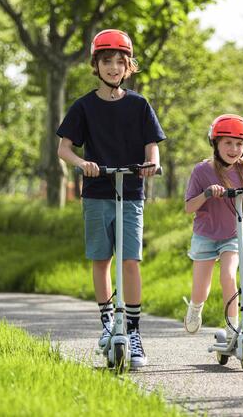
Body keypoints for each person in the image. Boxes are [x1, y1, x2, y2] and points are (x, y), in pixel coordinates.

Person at [56, 28, 165, 369]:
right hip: (97, 191)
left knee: (130, 260)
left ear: (128, 67)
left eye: (120, 62)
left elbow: (152, 146)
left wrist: (152, 165)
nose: (114, 68)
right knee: (102, 259)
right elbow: (64, 149)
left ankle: (132, 331)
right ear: (96, 65)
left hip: (131, 192)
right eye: (107, 62)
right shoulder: (84, 107)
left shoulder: (139, 105)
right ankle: (107, 325)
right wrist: (82, 164)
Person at [182, 114, 243, 339]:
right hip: (205, 236)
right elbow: (189, 207)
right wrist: (207, 193)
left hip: (233, 234)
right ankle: (194, 308)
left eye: (239, 144)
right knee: (201, 289)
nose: (234, 149)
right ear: (215, 144)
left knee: (229, 277)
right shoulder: (201, 171)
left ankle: (233, 328)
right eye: (228, 143)